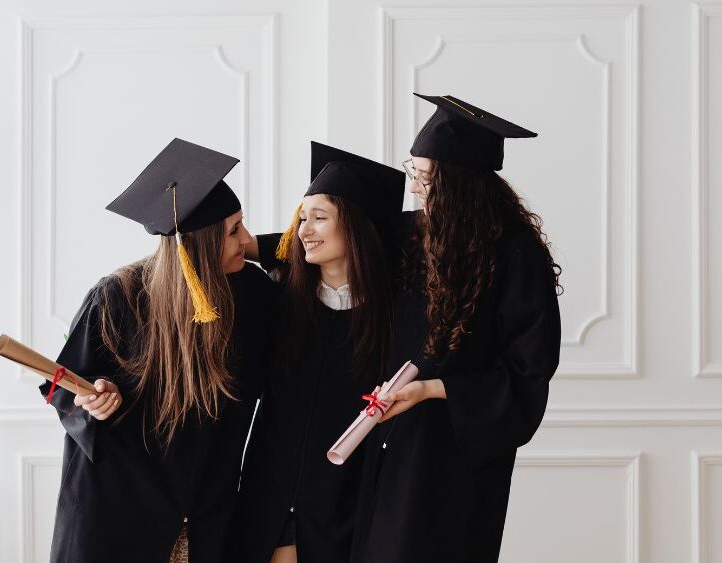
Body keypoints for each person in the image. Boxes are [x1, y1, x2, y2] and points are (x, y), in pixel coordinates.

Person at [40, 138, 277, 563]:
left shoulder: (255, 295)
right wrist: (92, 399)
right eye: (233, 231)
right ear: (199, 245)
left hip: (207, 513)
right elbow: (60, 386)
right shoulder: (120, 296)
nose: (246, 239)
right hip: (118, 513)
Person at [349, 94, 563, 563]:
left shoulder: (514, 255)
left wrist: (431, 390)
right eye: (414, 173)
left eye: (426, 178)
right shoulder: (409, 236)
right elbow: (339, 243)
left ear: (460, 184)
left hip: (457, 452)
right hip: (390, 439)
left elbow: (527, 371)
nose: (415, 189)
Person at [234, 142, 404, 563]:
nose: (304, 229)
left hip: (347, 501)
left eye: (320, 217)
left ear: (356, 226)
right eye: (302, 217)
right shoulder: (277, 297)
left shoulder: (396, 314)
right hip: (267, 493)